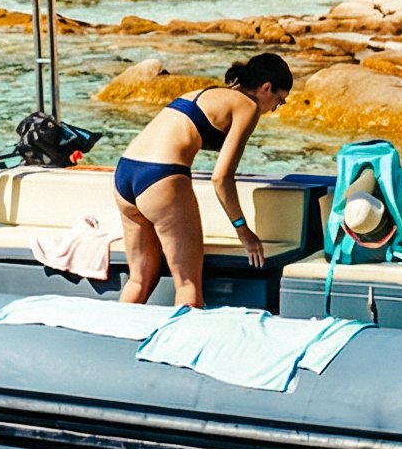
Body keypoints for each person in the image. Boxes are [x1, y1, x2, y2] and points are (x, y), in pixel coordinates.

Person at [111, 53, 293, 308]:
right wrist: (243, 231)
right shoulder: (247, 106)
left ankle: (119, 339)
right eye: (279, 100)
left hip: (125, 174)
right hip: (161, 176)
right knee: (187, 285)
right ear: (266, 88)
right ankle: (183, 347)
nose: (274, 108)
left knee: (139, 280)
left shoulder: (210, 93)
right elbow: (221, 177)